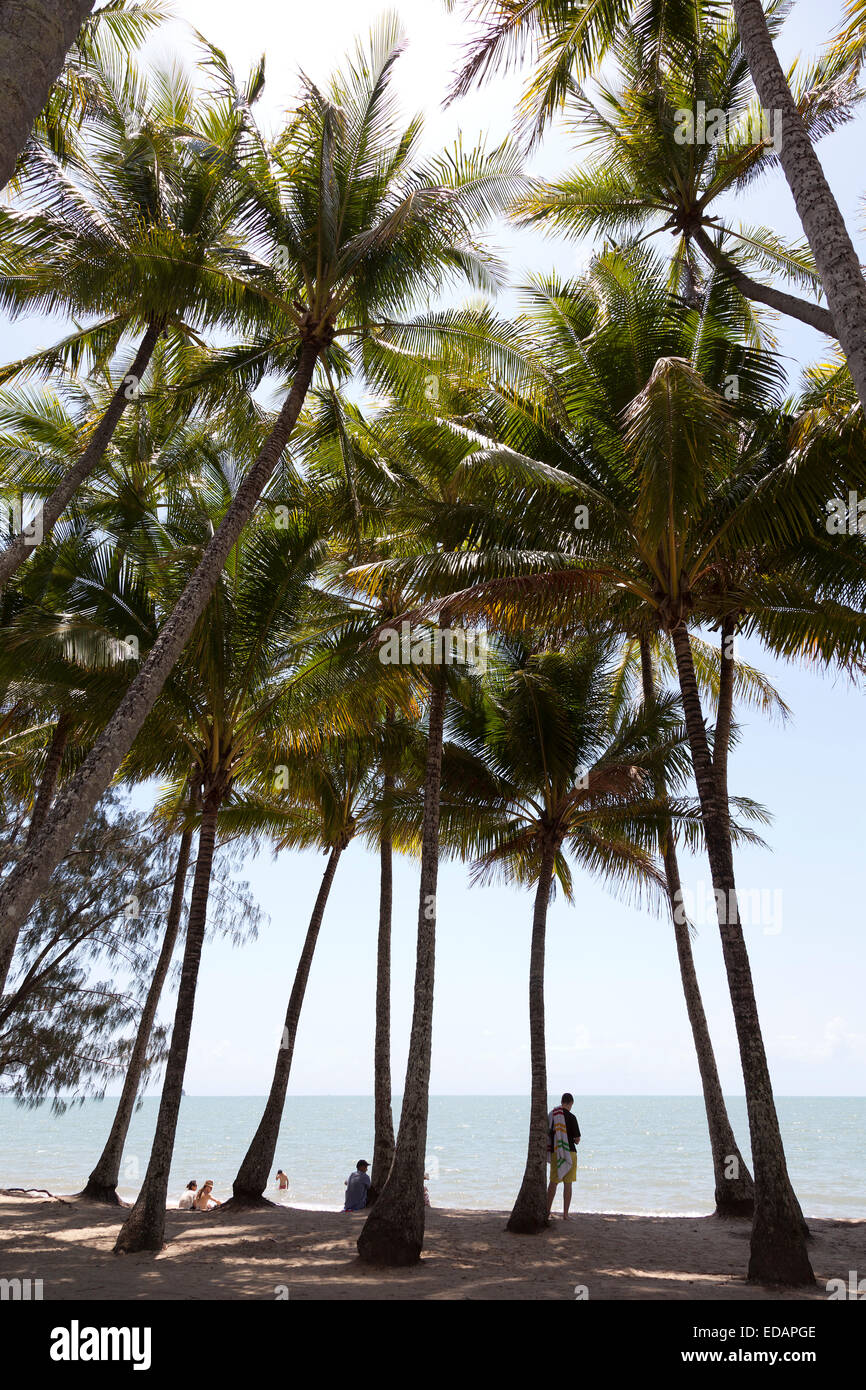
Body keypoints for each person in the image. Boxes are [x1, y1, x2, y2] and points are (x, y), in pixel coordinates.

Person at [547, 1093, 581, 1220]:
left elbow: (548, 1133)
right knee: (568, 1184)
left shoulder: (553, 1115)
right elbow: (577, 1139)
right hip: (570, 1153)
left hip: (557, 1152)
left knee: (553, 1183)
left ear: (562, 1102)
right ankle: (565, 1214)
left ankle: (547, 1211)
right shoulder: (572, 1117)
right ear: (570, 1103)